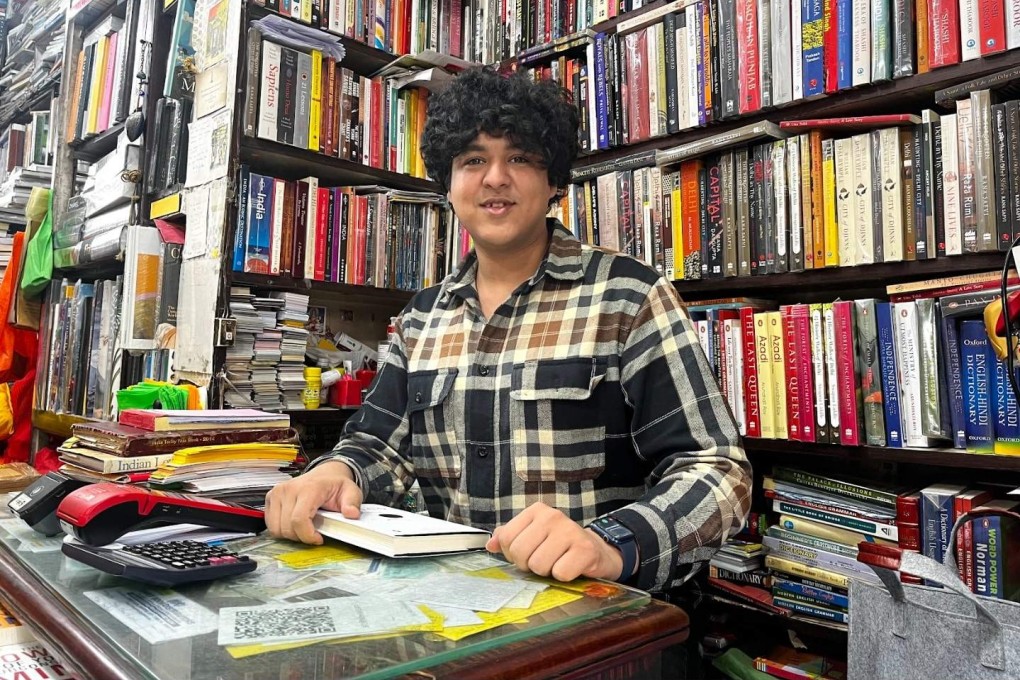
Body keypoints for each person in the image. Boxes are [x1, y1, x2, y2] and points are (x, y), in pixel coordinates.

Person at [265, 67, 751, 593]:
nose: (495, 177)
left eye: (519, 158)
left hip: (592, 617)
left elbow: (717, 471)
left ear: (554, 184)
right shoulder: (422, 317)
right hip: (448, 613)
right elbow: (377, 447)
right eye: (473, 160)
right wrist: (336, 473)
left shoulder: (629, 297)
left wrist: (611, 543)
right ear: (447, 186)